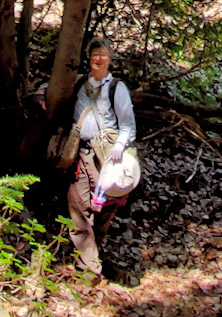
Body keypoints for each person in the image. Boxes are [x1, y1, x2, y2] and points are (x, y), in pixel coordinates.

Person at [66, 36, 136, 278]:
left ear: (109, 60)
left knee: (105, 210)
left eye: (103, 55)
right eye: (94, 54)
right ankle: (90, 269)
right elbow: (50, 90)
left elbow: (128, 125)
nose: (98, 59)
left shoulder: (117, 88)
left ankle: (94, 252)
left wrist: (119, 145)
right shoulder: (78, 85)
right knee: (78, 209)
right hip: (80, 155)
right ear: (88, 58)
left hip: (108, 159)